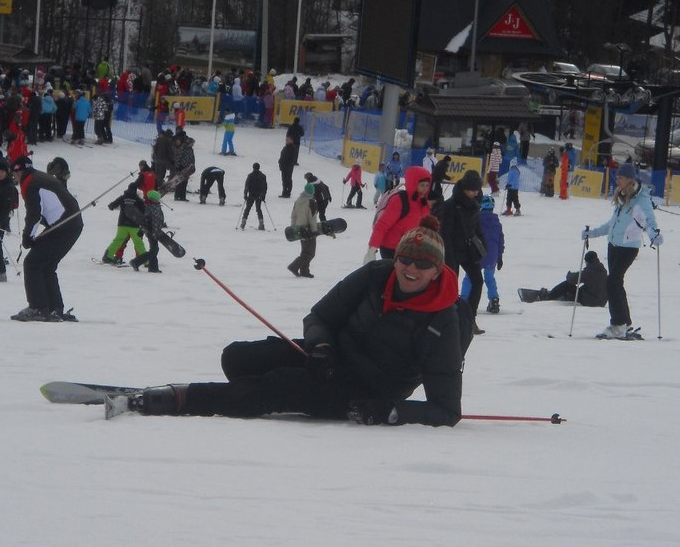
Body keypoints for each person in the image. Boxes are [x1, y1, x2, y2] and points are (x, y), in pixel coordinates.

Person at [117, 215, 472, 427]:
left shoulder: (444, 318)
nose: (411, 269)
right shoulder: (375, 276)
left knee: (280, 385)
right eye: (405, 260)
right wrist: (321, 347)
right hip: (333, 358)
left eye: (422, 264)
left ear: (436, 270)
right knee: (237, 358)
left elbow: (446, 410)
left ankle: (184, 399)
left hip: (367, 391)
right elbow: (320, 316)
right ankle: (247, 391)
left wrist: (390, 411)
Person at [585, 161, 662, 338]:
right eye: (617, 177)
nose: (617, 180)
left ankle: (618, 324)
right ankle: (624, 322)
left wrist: (654, 235)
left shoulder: (641, 199)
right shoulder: (621, 196)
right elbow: (612, 224)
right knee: (616, 284)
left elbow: (650, 221)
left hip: (628, 248)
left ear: (629, 179)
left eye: (620, 178)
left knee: (612, 282)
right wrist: (593, 233)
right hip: (613, 245)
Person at [9, 155, 83, 321]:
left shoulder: (30, 183)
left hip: (63, 226)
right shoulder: (39, 177)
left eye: (13, 174)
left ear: (19, 171)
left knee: (32, 263)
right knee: (47, 265)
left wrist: (27, 237)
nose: (14, 177)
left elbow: (34, 214)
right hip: (72, 224)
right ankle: (54, 308)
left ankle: (37, 307)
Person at [439, 169, 487, 333]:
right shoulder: (451, 205)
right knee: (452, 287)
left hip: (469, 250)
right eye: (472, 190)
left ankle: (470, 319)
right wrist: (449, 258)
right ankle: (450, 320)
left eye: (477, 190)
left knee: (478, 281)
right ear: (465, 188)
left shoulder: (475, 202)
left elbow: (476, 227)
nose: (475, 193)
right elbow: (445, 233)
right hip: (453, 251)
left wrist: (483, 244)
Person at [366, 166, 431, 260]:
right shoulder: (400, 200)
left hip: (412, 249)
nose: (425, 189)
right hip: (392, 248)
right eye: (422, 185)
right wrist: (372, 249)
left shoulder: (424, 203)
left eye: (427, 185)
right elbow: (382, 225)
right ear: (413, 183)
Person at [461, 194, 504, 314]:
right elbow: (500, 241)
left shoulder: (476, 221)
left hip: (478, 254)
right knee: (490, 278)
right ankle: (494, 299)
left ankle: (463, 300)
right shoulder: (497, 223)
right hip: (492, 256)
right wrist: (499, 257)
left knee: (469, 277)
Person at [523, 251, 609, 306]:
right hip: (601, 301)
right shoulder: (602, 270)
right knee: (578, 289)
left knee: (567, 285)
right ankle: (562, 295)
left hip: (591, 301)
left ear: (587, 261)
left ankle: (548, 296)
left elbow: (573, 279)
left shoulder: (590, 271)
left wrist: (569, 274)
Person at [104, 184, 145, 266]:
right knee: (138, 242)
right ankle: (144, 259)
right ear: (135, 190)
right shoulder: (138, 200)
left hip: (122, 224)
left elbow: (111, 206)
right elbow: (143, 211)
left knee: (118, 240)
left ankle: (108, 256)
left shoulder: (123, 197)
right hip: (134, 225)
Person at [287, 182, 319, 278]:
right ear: (312, 191)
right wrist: (314, 230)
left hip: (299, 230)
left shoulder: (298, 201)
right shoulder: (311, 202)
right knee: (310, 253)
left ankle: (304, 271)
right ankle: (294, 266)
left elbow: (293, 215)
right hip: (308, 230)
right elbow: (312, 217)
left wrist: (293, 228)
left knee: (305, 251)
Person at [130, 190, 164, 273]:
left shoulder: (154, 206)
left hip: (154, 231)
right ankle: (136, 262)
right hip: (152, 231)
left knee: (154, 249)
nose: (158, 200)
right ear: (152, 199)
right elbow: (149, 220)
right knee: (154, 250)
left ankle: (153, 268)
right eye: (157, 199)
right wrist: (153, 232)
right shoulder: (151, 207)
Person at [171, 129, 196, 200]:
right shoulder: (183, 148)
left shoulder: (190, 149)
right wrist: (178, 166)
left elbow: (192, 158)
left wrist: (192, 165)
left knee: (185, 182)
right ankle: (176, 196)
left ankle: (182, 196)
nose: (193, 145)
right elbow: (178, 157)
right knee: (179, 182)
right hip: (181, 167)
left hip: (187, 168)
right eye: (192, 143)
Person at [241, 162, 266, 230]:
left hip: (251, 194)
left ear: (253, 167)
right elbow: (264, 187)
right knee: (258, 209)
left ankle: (243, 223)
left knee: (247, 209)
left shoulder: (250, 175)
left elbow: (247, 185)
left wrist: (245, 194)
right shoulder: (263, 176)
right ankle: (261, 224)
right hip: (259, 195)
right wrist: (263, 195)